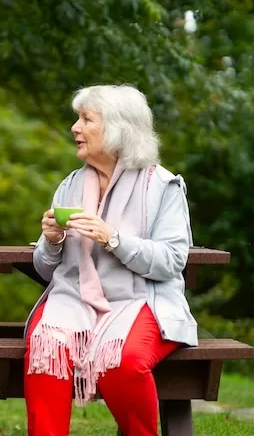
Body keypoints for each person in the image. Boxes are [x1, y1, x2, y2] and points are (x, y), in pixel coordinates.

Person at [26, 85, 197, 436]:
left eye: (86, 119)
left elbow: (171, 261)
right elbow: (45, 270)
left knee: (124, 363)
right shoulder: (70, 186)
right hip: (70, 299)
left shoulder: (162, 186)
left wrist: (113, 239)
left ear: (118, 129)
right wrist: (52, 242)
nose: (75, 127)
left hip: (142, 299)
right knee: (47, 353)